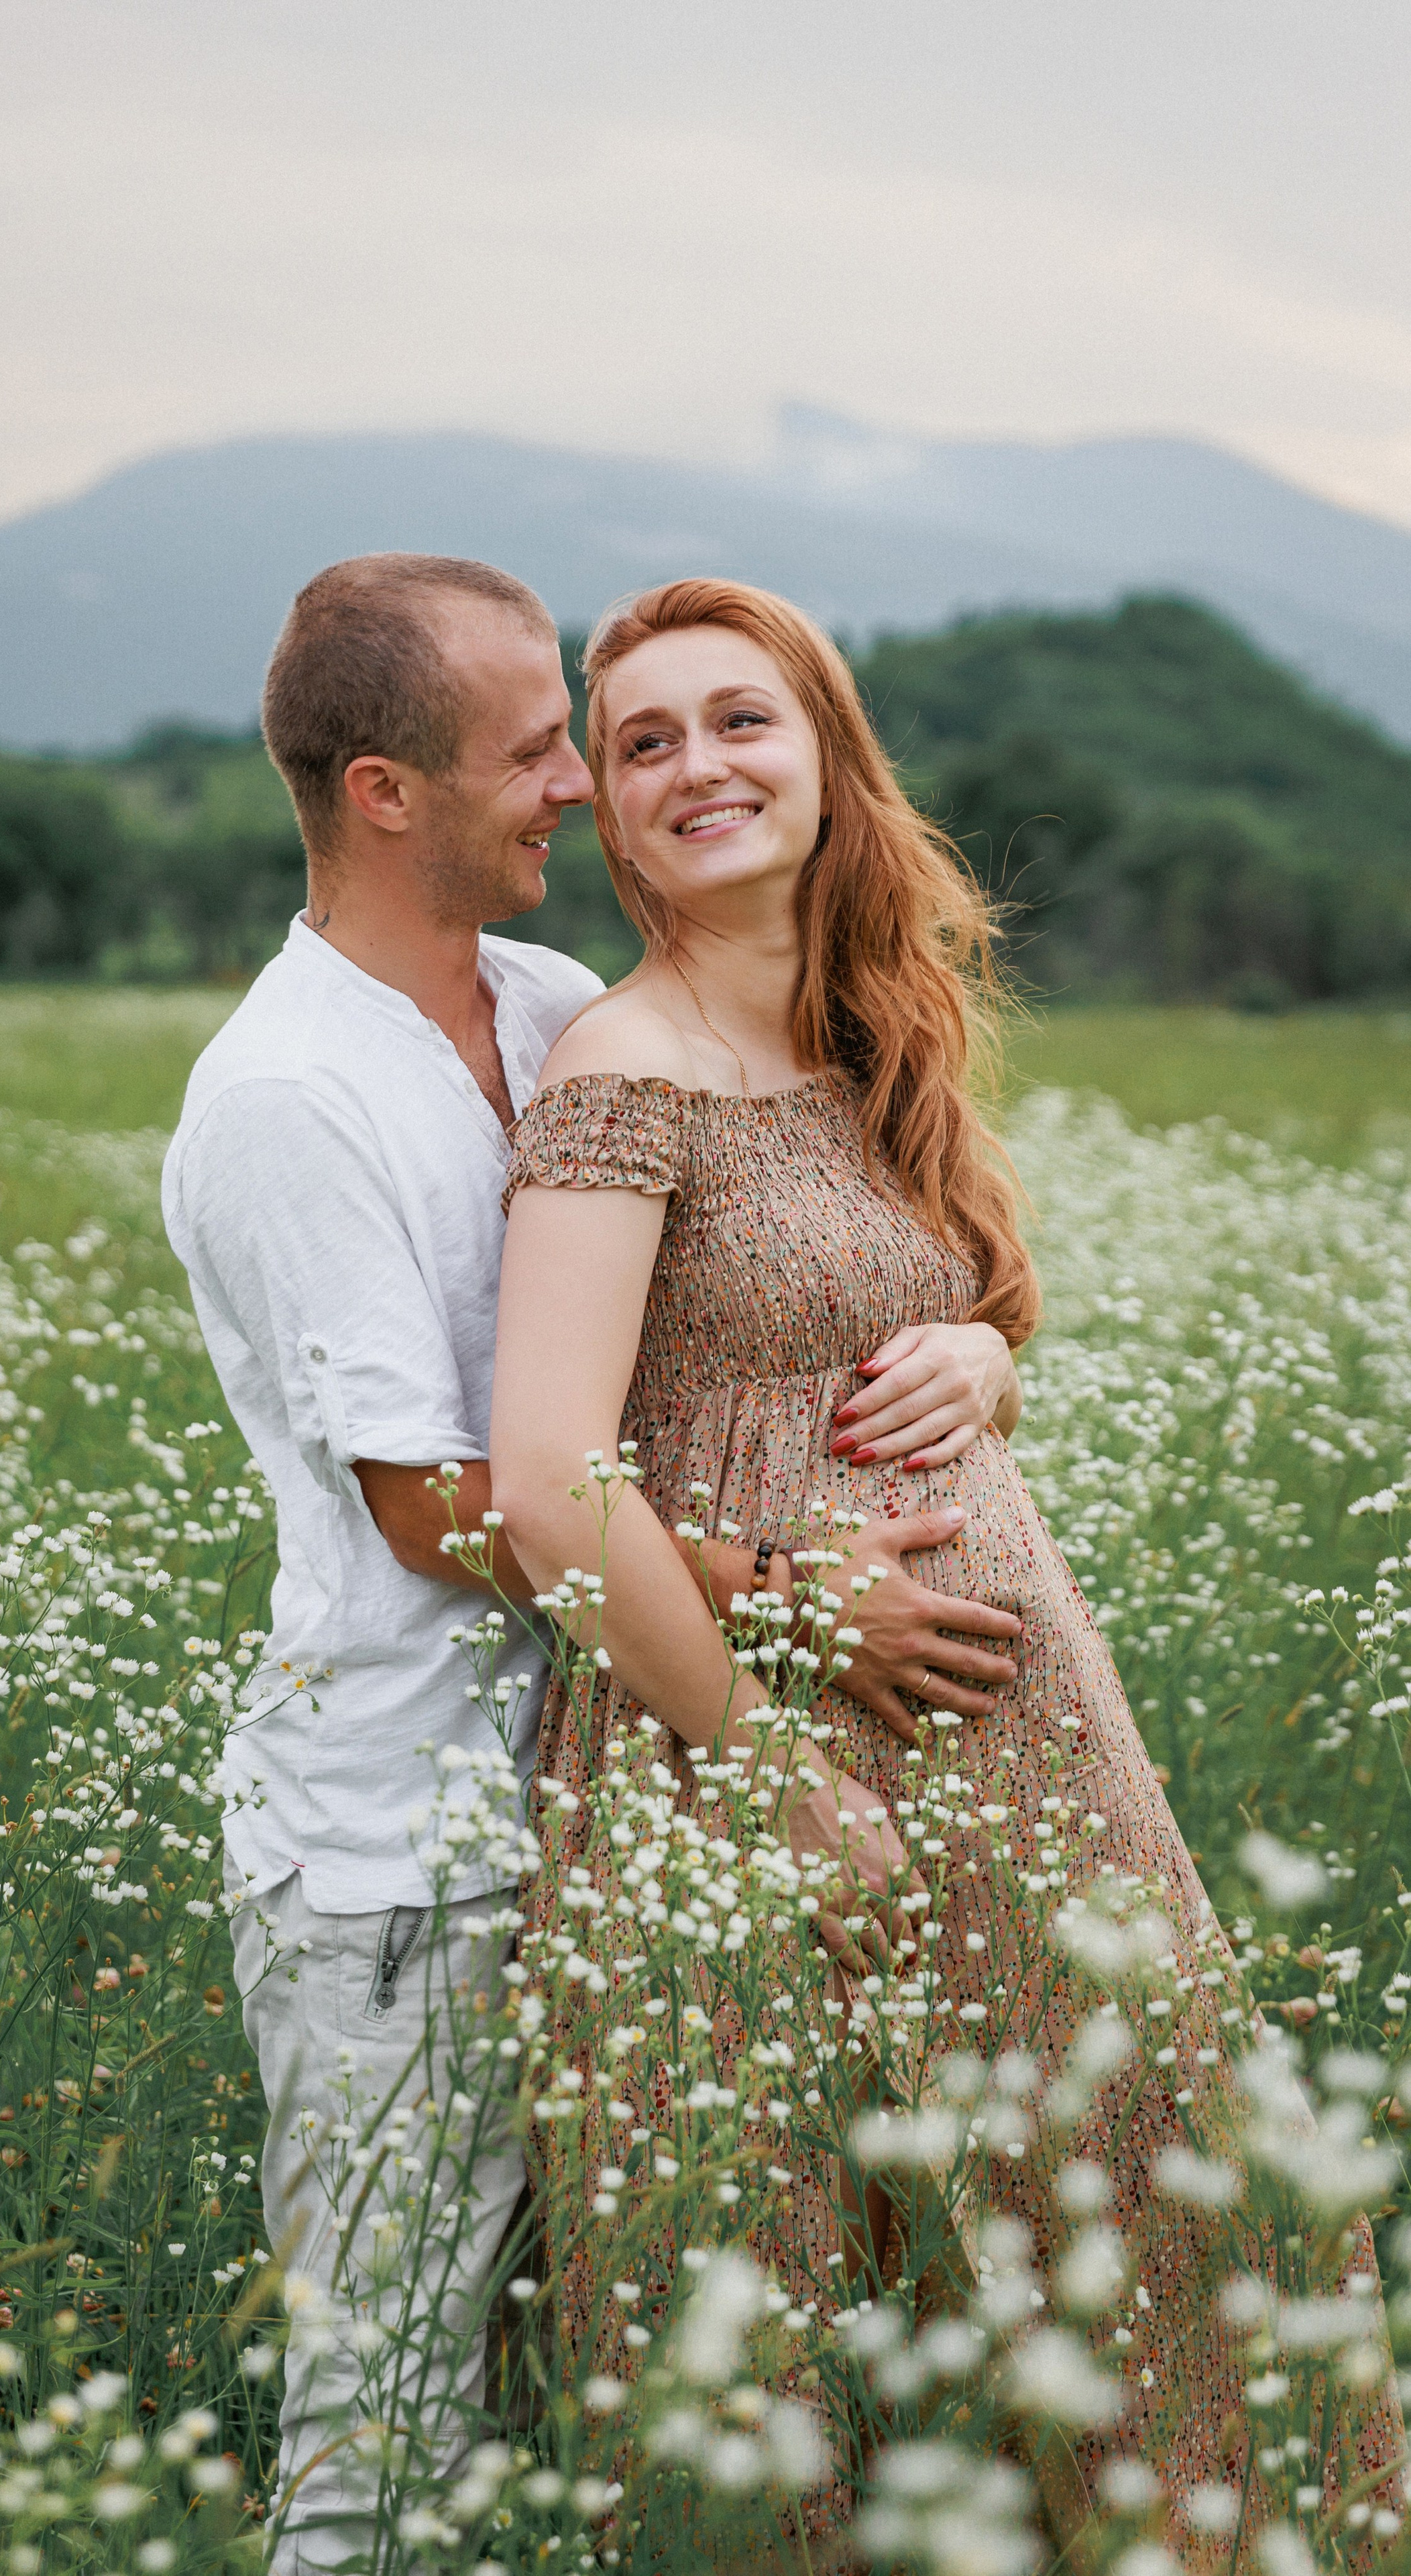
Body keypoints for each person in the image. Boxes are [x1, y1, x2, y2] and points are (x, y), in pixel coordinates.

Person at [487, 577, 1403, 2542]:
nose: (697, 766)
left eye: (742, 720)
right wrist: (765, 1770)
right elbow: (553, 1473)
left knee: (1127, 2202)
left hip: (1022, 1740)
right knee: (814, 2283)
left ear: (826, 754)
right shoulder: (622, 1071)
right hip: (757, 1751)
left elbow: (942, 1294)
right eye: (642, 742)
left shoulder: (866, 1023)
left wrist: (990, 1341)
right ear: (616, 817)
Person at [162, 553, 1027, 2567]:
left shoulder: (552, 1007)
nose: (578, 784)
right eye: (541, 743)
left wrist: (980, 1331)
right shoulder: (291, 1095)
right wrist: (794, 1598)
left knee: (635, 2379)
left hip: (609, 1785)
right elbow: (441, 1502)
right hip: (408, 1845)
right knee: (384, 2419)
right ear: (387, 791)